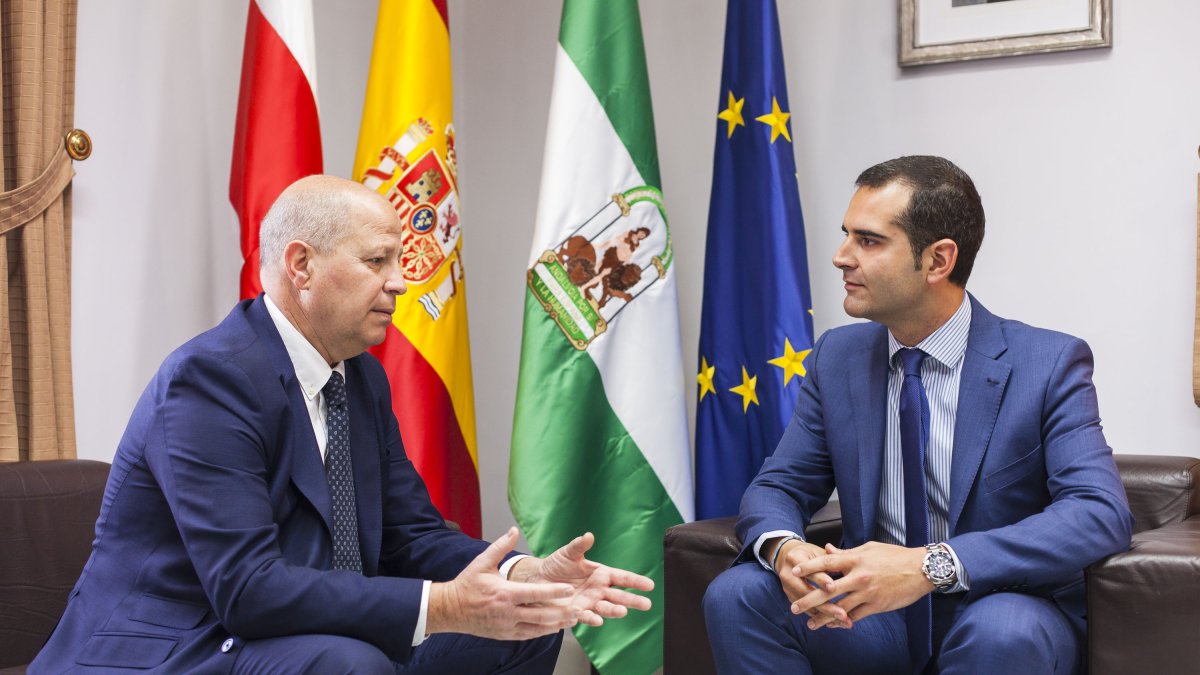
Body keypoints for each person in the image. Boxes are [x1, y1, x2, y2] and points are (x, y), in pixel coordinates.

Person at [31, 175, 654, 674]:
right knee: (347, 662)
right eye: (378, 260)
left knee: (525, 626)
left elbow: (411, 537)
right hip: (183, 644)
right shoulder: (211, 381)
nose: (401, 283)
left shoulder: (358, 376)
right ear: (300, 265)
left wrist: (520, 575)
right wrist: (442, 606)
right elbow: (247, 590)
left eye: (400, 261)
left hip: (305, 636)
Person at [703, 155, 1132, 674]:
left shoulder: (1047, 364)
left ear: (937, 261)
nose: (841, 257)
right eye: (846, 236)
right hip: (872, 616)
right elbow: (780, 485)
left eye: (868, 241)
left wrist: (930, 567)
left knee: (1003, 631)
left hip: (1000, 604)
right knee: (739, 593)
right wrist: (786, 550)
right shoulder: (837, 358)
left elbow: (1097, 512)